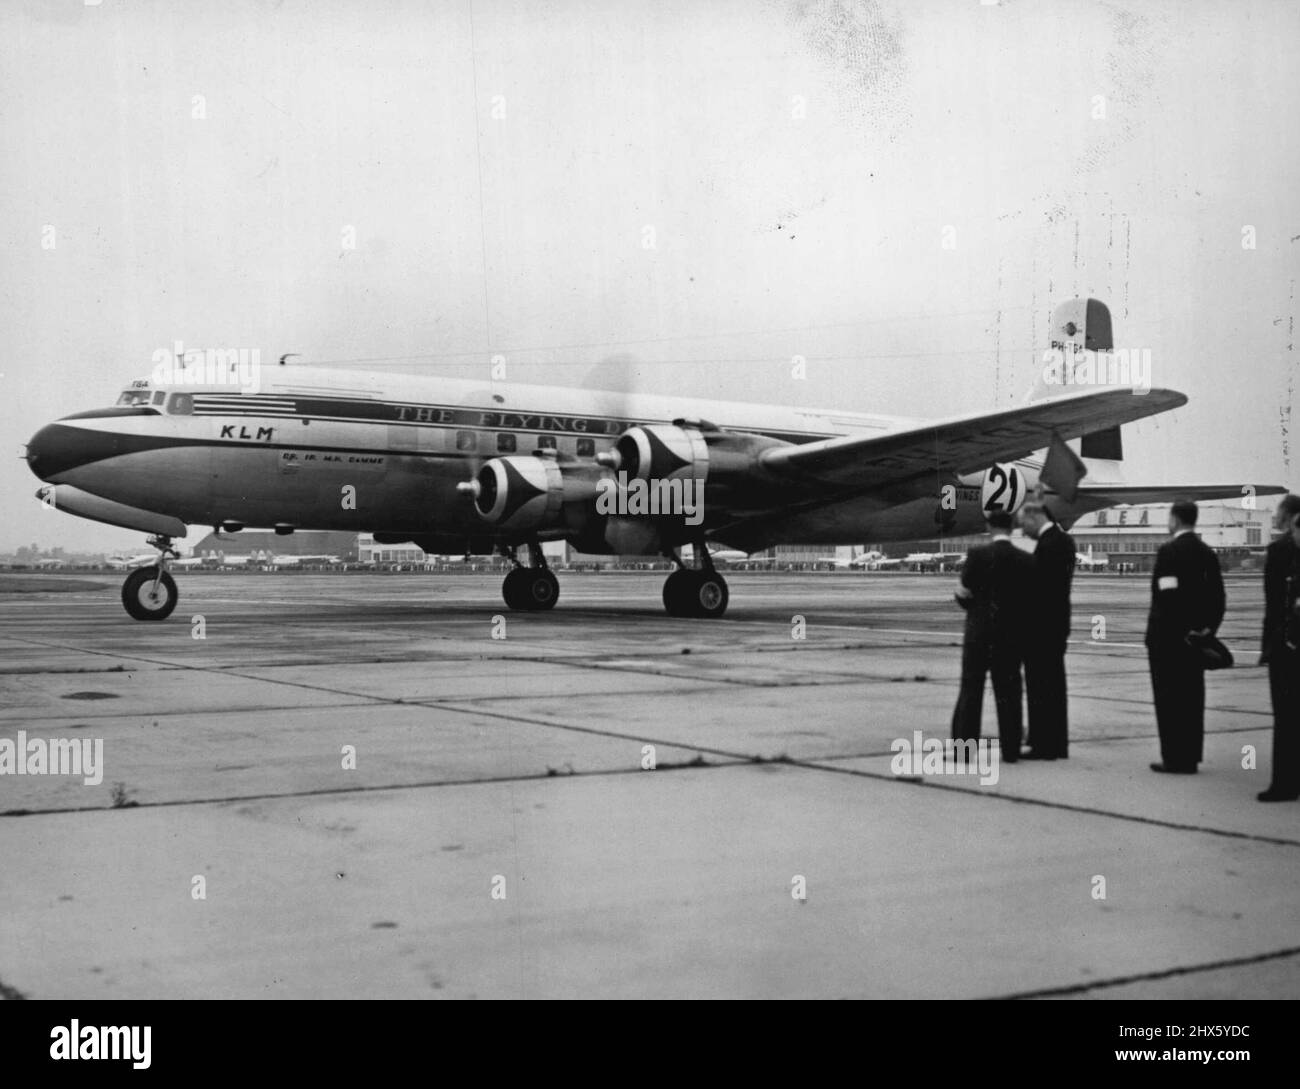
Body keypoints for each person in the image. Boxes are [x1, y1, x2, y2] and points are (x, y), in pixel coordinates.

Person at [1144, 500, 1226, 774]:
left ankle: (1174, 758)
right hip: (1196, 641)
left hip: (1168, 640)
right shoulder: (1206, 553)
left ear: (1175, 519)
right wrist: (1206, 630)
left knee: (1168, 700)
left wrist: (1179, 630)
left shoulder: (1169, 552)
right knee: (1193, 699)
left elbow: (1167, 595)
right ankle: (1191, 757)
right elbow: (1218, 597)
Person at [951, 511, 1034, 763]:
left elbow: (963, 593)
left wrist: (976, 613)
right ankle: (1011, 751)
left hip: (978, 634)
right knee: (1009, 692)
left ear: (989, 526)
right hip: (1011, 635)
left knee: (971, 691)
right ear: (1012, 528)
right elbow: (1031, 603)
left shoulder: (977, 555)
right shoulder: (1026, 559)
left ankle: (964, 753)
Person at [1018, 499, 1076, 760]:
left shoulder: (1051, 544)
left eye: (1023, 525)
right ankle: (1056, 743)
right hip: (1055, 625)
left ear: (1033, 517)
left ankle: (1044, 745)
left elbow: (1042, 588)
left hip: (1042, 627)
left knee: (1041, 686)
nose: (1023, 531)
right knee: (1053, 686)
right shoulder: (1060, 541)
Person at [1258, 495, 1300, 801]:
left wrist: (1268, 646)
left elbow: (1273, 605)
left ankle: (1284, 784)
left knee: (1285, 717)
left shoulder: (1280, 550)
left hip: (1286, 646)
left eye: (1278, 514)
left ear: (1289, 518)